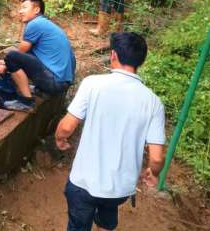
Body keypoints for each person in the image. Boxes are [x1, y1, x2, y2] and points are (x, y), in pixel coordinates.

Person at [55, 32, 166, 231]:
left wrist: (60, 139)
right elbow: (157, 159)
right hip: (120, 188)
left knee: (78, 224)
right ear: (141, 61)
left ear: (113, 55)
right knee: (107, 215)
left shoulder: (92, 84)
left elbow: (66, 127)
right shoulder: (153, 102)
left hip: (84, 182)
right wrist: (153, 173)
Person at [0, 0, 76, 112]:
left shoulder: (35, 24)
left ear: (36, 10)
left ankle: (26, 102)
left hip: (54, 82)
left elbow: (19, 53)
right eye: (20, 8)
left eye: (24, 7)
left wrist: (5, 64)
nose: (20, 11)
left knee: (12, 56)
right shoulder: (47, 25)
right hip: (62, 83)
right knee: (14, 58)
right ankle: (35, 90)